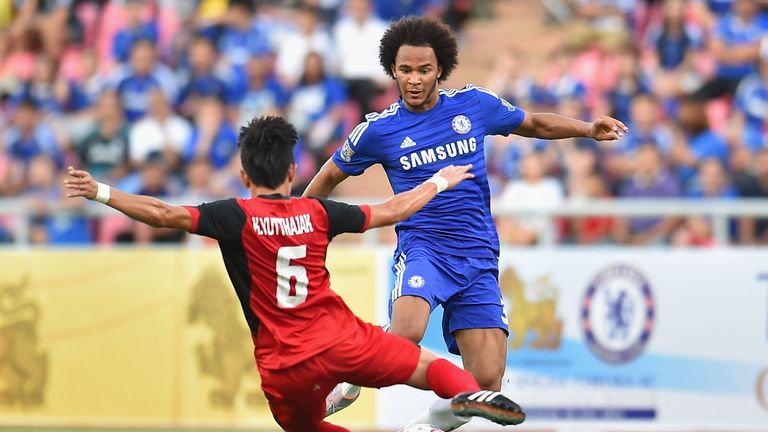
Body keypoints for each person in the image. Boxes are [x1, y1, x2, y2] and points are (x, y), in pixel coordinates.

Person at [63, 116, 525, 432]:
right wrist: (439, 181)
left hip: (282, 364)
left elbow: (163, 213)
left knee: (304, 428)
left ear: (245, 176)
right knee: (433, 368)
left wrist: (100, 190)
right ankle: (467, 398)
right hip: (340, 339)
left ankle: (451, 407)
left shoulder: (233, 215)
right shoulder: (318, 212)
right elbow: (389, 211)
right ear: (292, 170)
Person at [303, 16, 627, 430]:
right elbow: (329, 176)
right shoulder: (378, 130)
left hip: (477, 256)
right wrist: (295, 220)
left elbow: (533, 124)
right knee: (405, 334)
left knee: (487, 380)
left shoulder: (474, 105)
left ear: (440, 68)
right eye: (405, 70)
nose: (415, 79)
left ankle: (427, 427)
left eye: (424, 69)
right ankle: (348, 377)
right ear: (393, 71)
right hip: (424, 247)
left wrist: (587, 129)